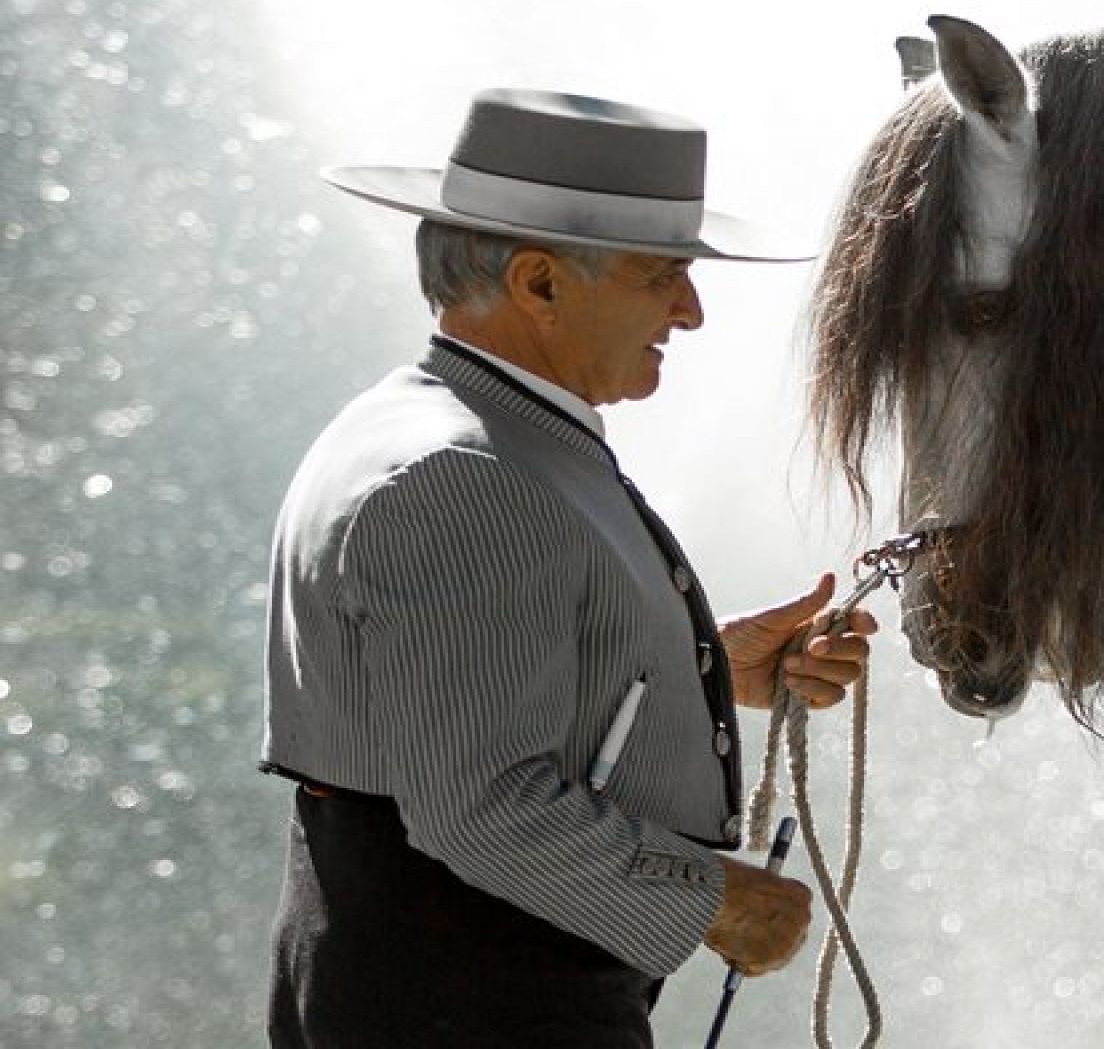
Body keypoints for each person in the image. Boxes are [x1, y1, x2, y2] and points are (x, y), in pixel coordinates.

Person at [258, 88, 878, 1048]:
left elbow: (447, 703)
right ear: (539, 283)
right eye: (662, 276)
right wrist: (715, 897)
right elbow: (482, 805)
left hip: (439, 986)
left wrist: (701, 672)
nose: (691, 311)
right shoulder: (466, 475)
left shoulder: (430, 427)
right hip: (476, 1002)